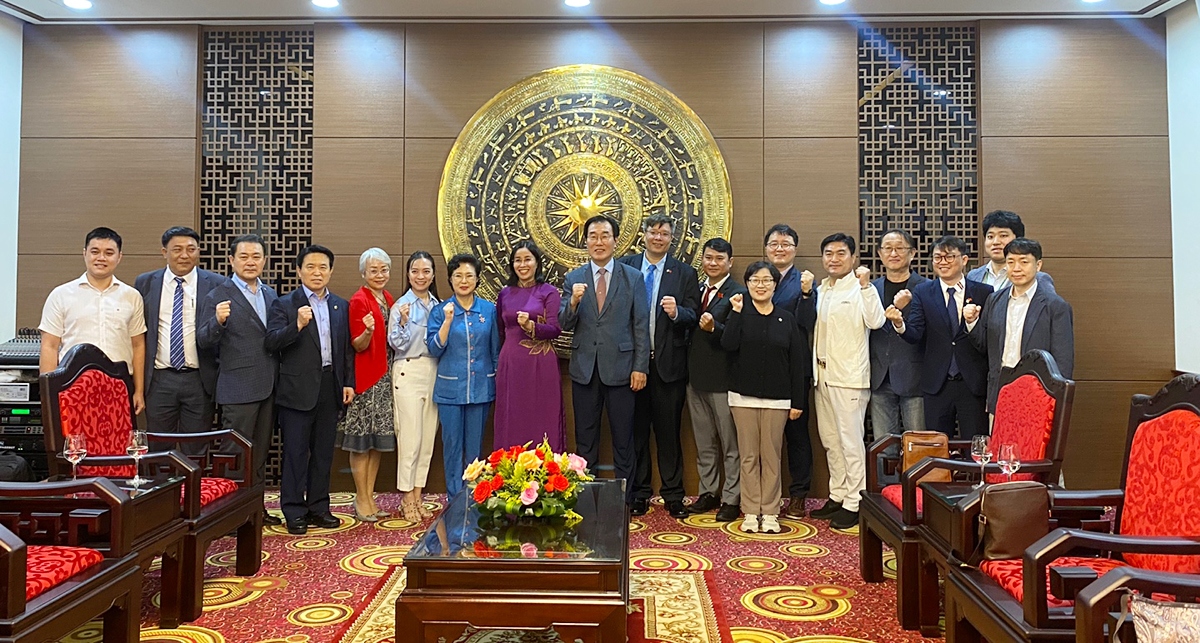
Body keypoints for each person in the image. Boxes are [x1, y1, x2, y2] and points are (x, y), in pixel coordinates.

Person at [558, 215, 650, 505]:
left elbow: (640, 325)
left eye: (604, 235)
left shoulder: (632, 277)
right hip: (585, 370)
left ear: (615, 240)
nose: (599, 241)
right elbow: (563, 323)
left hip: (622, 370)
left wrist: (640, 367)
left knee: (624, 439)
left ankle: (626, 500)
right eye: (593, 236)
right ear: (585, 242)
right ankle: (586, 499)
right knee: (586, 440)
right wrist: (572, 302)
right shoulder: (573, 278)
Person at [265, 245, 355, 535]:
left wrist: (347, 382)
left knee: (323, 453)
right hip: (296, 391)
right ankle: (293, 510)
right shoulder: (284, 304)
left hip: (330, 387)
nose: (317, 272)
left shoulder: (340, 305)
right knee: (295, 453)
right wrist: (298, 325)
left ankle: (319, 507)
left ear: (330, 271)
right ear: (299, 270)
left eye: (323, 267)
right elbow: (272, 343)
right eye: (311, 267)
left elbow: (345, 350)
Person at [798, 233, 885, 531]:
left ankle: (855, 501)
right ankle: (837, 494)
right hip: (822, 377)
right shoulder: (823, 289)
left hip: (849, 378)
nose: (833, 259)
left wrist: (866, 286)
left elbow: (876, 321)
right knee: (831, 441)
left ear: (853, 258)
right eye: (828, 253)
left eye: (840, 253)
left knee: (850, 443)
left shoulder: (861, 288)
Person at [617, 214, 699, 519]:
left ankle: (673, 494)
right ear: (644, 234)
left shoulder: (684, 273)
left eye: (664, 233)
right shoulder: (625, 267)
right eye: (653, 232)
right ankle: (639, 493)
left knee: (669, 433)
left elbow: (694, 314)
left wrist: (678, 313)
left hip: (669, 367)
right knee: (636, 433)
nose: (658, 237)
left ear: (671, 237)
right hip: (631, 366)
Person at [196, 234, 281, 526]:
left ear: (264, 261)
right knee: (235, 455)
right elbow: (203, 341)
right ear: (231, 260)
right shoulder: (218, 295)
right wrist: (217, 322)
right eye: (243, 256)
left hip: (268, 386)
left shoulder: (271, 295)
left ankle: (256, 509)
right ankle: (230, 517)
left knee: (259, 453)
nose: (250, 262)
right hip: (237, 388)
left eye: (256, 256)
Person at [721, 262, 808, 534]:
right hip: (742, 398)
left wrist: (798, 402)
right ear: (747, 284)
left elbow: (797, 362)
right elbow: (728, 345)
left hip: (778, 399)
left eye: (766, 280)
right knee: (748, 456)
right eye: (755, 280)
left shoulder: (786, 318)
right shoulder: (739, 313)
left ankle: (770, 511)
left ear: (775, 284)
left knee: (771, 456)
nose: (761, 285)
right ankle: (750, 510)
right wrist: (734, 313)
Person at [887, 235, 992, 439]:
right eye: (937, 258)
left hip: (972, 382)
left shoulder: (984, 292)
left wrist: (972, 322)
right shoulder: (923, 291)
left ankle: (974, 473)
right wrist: (899, 324)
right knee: (936, 447)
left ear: (964, 260)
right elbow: (915, 333)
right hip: (937, 383)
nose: (942, 262)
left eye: (949, 257)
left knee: (975, 444)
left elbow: (988, 337)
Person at [39, 227, 148, 415]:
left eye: (109, 253)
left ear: (119, 257)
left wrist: (138, 390)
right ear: (85, 254)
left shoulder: (132, 296)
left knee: (117, 442)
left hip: (119, 385)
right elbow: (49, 346)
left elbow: (138, 345)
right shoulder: (61, 295)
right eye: (95, 252)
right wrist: (49, 393)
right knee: (76, 442)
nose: (101, 258)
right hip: (72, 385)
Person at [134, 227, 223, 444]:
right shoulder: (145, 283)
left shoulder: (217, 284)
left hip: (199, 379)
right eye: (177, 249)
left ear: (199, 251)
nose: (184, 255)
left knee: (196, 447)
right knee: (158, 446)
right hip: (159, 379)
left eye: (191, 249)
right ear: (164, 252)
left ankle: (191, 480)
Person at [966, 238, 1075, 412]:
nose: (1016, 268)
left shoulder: (1055, 306)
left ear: (1038, 265)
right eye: (1011, 262)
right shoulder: (994, 300)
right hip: (1000, 393)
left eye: (1024, 262)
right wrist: (971, 323)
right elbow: (984, 345)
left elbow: (1063, 361)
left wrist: (1055, 401)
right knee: (1000, 439)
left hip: (1039, 395)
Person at [426, 253, 500, 500]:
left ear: (477, 279)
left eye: (469, 275)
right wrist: (447, 321)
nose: (463, 280)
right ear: (450, 279)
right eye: (458, 275)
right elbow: (434, 348)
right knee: (452, 448)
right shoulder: (440, 310)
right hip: (450, 391)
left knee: (475, 450)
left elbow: (495, 350)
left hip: (481, 389)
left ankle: (474, 497)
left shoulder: (488, 310)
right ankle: (454, 499)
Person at [685, 238, 747, 523]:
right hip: (695, 378)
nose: (713, 263)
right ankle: (708, 491)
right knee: (704, 442)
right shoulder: (697, 289)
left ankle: (731, 498)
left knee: (730, 444)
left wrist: (715, 327)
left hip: (724, 380)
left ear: (729, 263)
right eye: (709, 258)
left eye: (719, 259)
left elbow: (737, 335)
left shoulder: (738, 293)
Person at [336, 248, 397, 523]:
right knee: (360, 444)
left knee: (376, 443)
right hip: (365, 380)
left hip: (384, 380)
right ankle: (360, 498)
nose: (380, 274)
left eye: (384, 269)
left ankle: (370, 497)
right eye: (374, 270)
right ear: (363, 273)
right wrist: (369, 331)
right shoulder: (359, 301)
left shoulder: (388, 298)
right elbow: (356, 345)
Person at [495, 240, 564, 450]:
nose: (522, 265)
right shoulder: (505, 294)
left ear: (536, 263)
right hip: (511, 363)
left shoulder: (549, 292)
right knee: (512, 416)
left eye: (527, 259)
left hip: (541, 363)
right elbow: (500, 330)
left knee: (543, 416)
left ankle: (549, 474)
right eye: (517, 260)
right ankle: (509, 474)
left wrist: (532, 326)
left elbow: (555, 329)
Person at [764, 223, 813, 519]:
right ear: (766, 249)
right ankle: (766, 496)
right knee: (765, 438)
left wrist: (806, 296)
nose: (779, 248)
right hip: (764, 369)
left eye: (785, 244)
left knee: (797, 436)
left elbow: (807, 322)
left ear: (795, 249)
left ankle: (799, 495)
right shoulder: (758, 277)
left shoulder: (804, 282)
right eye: (774, 244)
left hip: (795, 368)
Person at [388, 251, 441, 522]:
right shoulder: (401, 305)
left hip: (433, 371)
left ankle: (418, 494)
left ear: (433, 275)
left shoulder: (439, 305)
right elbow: (396, 343)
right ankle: (406, 497)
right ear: (408, 274)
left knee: (427, 439)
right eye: (415, 271)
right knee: (410, 438)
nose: (420, 276)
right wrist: (405, 322)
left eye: (426, 271)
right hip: (408, 370)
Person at [869, 229, 928, 441]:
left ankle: (920, 477)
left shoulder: (926, 288)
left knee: (919, 445)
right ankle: (886, 478)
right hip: (879, 378)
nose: (893, 253)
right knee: (883, 448)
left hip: (916, 378)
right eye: (888, 248)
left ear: (912, 253)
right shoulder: (870, 289)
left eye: (900, 248)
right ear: (880, 253)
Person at [967, 210, 1055, 292]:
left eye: (1003, 236)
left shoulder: (1038, 278)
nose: (996, 242)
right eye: (990, 237)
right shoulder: (974, 276)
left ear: (1018, 239)